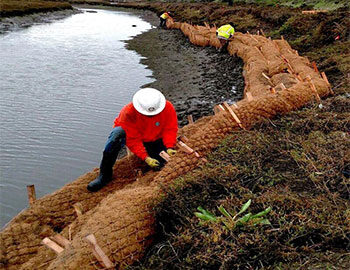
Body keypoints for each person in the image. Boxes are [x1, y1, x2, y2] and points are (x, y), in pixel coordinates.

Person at [87, 88, 178, 192]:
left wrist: (169, 146)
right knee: (116, 135)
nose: (151, 116)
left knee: (161, 164)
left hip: (154, 137)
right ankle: (104, 175)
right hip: (134, 135)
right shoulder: (128, 112)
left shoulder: (167, 107)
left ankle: (153, 150)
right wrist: (146, 157)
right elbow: (132, 139)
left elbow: (170, 129)